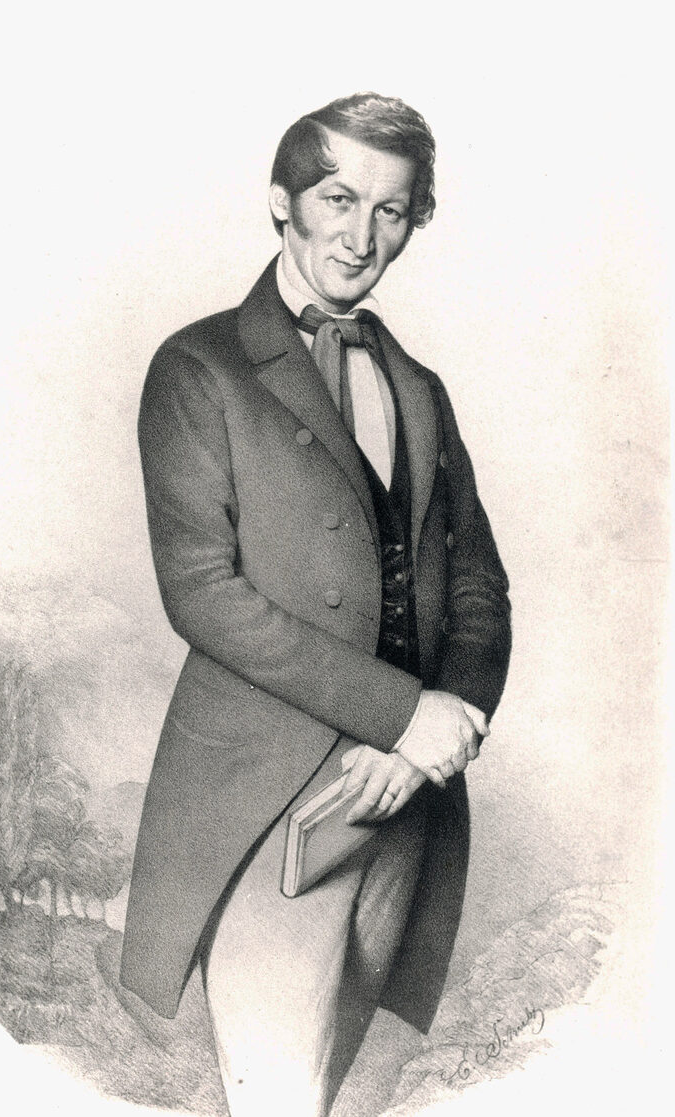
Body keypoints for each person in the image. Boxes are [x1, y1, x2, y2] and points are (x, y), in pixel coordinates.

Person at [120, 93, 511, 1116]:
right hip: (265, 799)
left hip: (407, 799)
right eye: (338, 199)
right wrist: (402, 712)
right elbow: (203, 596)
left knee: (331, 1091)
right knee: (279, 1093)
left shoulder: (417, 385)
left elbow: (479, 585)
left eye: (390, 210)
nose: (359, 235)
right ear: (280, 202)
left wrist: (435, 737)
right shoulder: (198, 367)